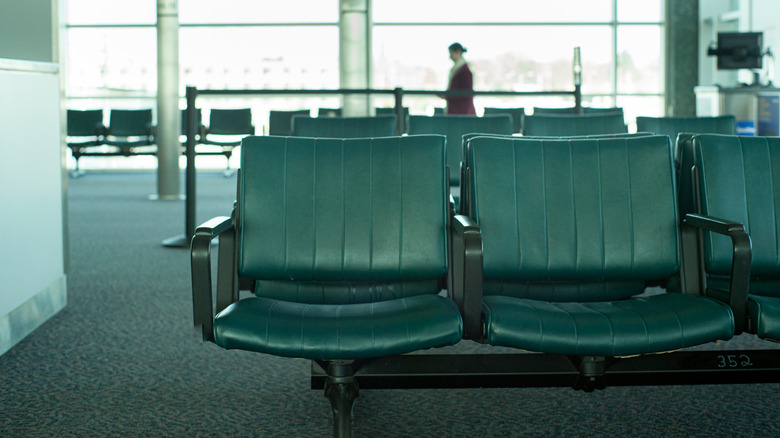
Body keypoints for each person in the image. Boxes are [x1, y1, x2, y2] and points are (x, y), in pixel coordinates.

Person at [445, 42, 476, 115]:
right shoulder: (460, 70)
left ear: (458, 52)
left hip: (461, 112)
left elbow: (466, 95)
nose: (450, 56)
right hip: (458, 111)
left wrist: (447, 96)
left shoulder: (464, 72)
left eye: (451, 53)